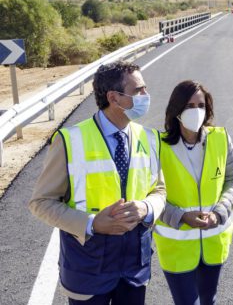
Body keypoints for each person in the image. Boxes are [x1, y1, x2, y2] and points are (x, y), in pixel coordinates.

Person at [29, 61, 165, 304]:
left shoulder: (150, 138)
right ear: (114, 98)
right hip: (88, 269)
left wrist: (147, 208)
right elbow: (41, 202)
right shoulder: (70, 140)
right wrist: (92, 223)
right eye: (139, 90)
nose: (146, 95)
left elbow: (159, 190)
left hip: (134, 268)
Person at [154, 81, 233, 305]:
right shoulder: (158, 145)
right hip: (177, 246)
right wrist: (181, 216)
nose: (196, 111)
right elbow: (149, 194)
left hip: (214, 241)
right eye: (189, 105)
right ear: (176, 110)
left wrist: (219, 213)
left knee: (208, 300)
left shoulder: (220, 138)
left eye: (200, 105)